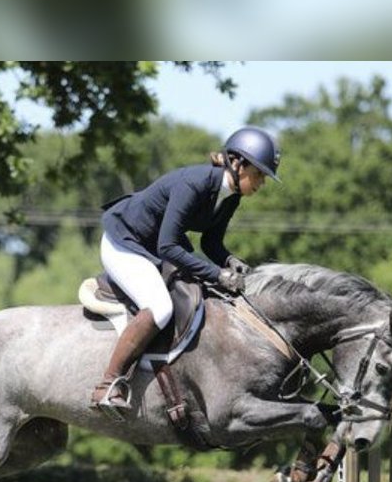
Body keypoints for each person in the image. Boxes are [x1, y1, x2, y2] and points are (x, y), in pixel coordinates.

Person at [90, 126, 281, 415]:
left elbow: (210, 241)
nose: (262, 182)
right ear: (238, 163)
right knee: (160, 308)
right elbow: (168, 247)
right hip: (124, 242)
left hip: (153, 245)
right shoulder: (194, 183)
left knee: (203, 293)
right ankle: (107, 385)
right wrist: (217, 274)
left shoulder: (231, 195)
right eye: (260, 174)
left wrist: (229, 261)